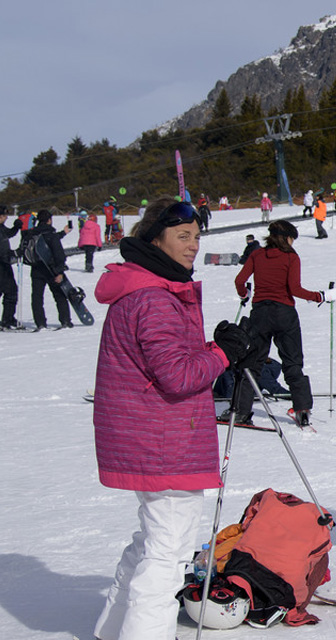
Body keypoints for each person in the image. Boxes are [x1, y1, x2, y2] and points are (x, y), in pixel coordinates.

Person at [92, 196, 250, 640]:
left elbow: (168, 363)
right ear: (155, 238)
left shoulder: (146, 287)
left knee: (153, 540)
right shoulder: (154, 297)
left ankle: (112, 629)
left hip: (152, 434)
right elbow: (178, 377)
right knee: (168, 550)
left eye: (196, 236)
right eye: (182, 236)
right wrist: (223, 354)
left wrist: (213, 348)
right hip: (163, 439)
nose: (193, 245)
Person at [227, 220, 336, 427]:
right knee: (292, 362)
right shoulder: (291, 257)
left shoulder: (257, 254)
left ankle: (240, 411)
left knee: (252, 363)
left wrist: (244, 294)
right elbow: (295, 289)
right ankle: (302, 410)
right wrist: (321, 296)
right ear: (287, 238)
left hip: (260, 314)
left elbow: (239, 281)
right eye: (292, 238)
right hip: (285, 314)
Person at [22, 209, 73, 330]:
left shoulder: (32, 234)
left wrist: (63, 233)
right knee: (59, 295)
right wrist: (60, 271)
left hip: (36, 269)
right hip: (52, 269)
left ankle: (40, 323)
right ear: (49, 220)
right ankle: (65, 321)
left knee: (37, 297)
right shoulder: (51, 234)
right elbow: (58, 254)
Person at [0, 206, 23, 329]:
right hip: (2, 265)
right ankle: (7, 320)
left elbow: (7, 234)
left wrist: (16, 227)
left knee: (9, 291)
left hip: (4, 263)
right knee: (11, 291)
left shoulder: (1, 227)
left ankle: (8, 318)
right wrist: (12, 253)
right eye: (4, 216)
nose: (6, 218)